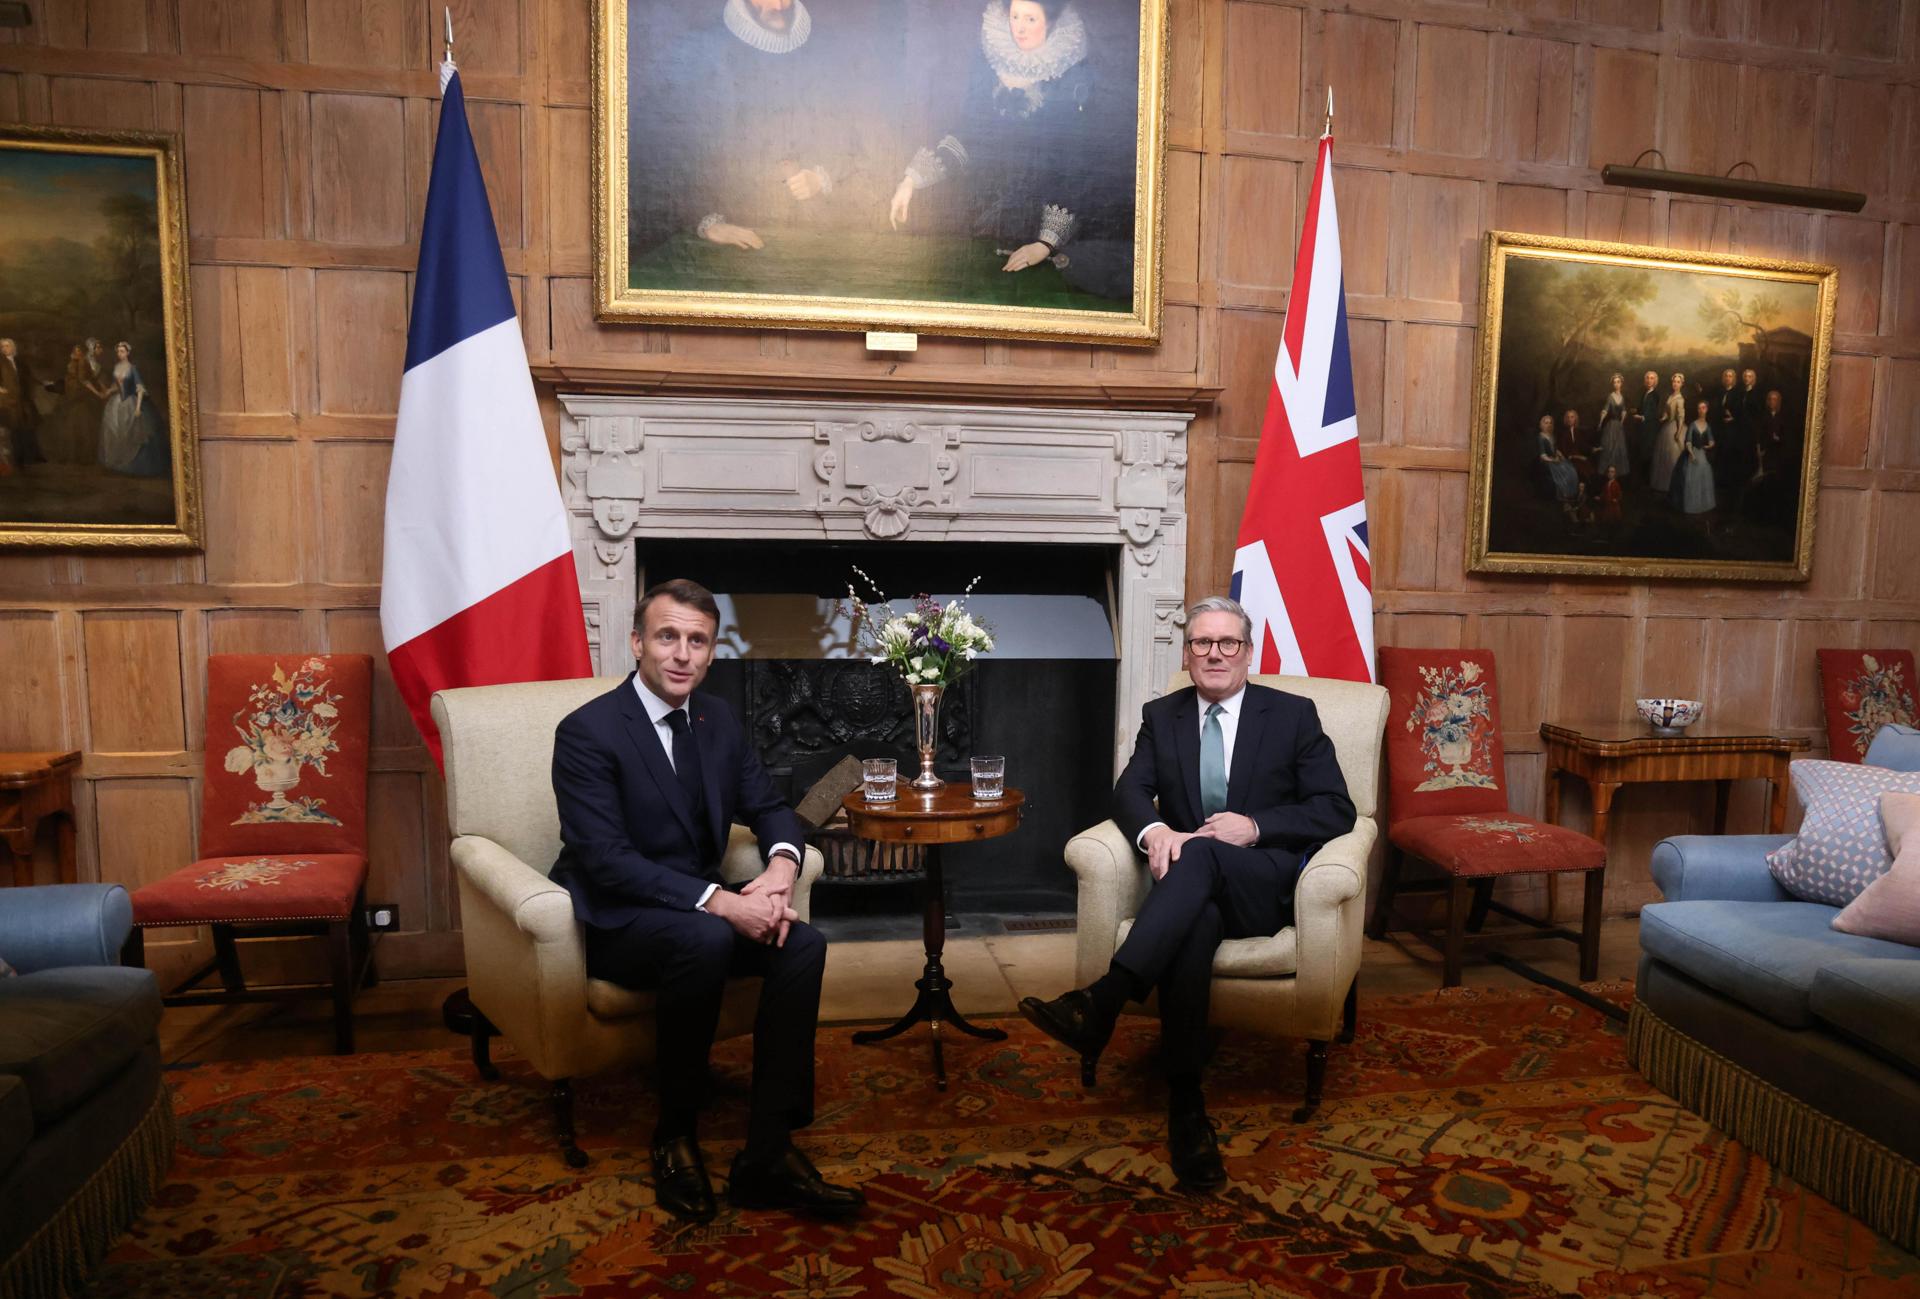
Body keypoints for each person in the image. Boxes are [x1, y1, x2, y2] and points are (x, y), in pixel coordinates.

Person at [548, 579, 862, 1224]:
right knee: (709, 936)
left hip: (697, 913)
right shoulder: (587, 732)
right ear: (637, 643)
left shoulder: (716, 719)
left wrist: (779, 868)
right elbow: (604, 858)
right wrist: (720, 900)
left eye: (698, 640)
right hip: (619, 916)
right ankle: (675, 1133)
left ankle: (768, 1153)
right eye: (668, 636)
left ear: (712, 652)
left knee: (801, 944)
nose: (682, 654)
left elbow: (770, 807)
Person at [1017, 595, 1355, 1193]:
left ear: (1248, 653)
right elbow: (1128, 793)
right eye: (1202, 642)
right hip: (1189, 895)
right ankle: (1187, 1107)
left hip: (1263, 884)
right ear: (1188, 651)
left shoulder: (1293, 714)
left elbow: (1337, 808)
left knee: (1200, 856)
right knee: (1192, 924)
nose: (1215, 653)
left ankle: (1106, 998)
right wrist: (1154, 831)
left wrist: (1255, 826)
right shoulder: (1162, 714)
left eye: (1228, 643)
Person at [886, 0, 1134, 301]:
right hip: (987, 217)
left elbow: (1074, 164)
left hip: (1052, 226)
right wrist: (912, 180)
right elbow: (969, 136)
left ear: (1051, 22)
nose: (1019, 27)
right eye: (1015, 16)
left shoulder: (1073, 77)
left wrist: (1045, 243)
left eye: (1030, 18)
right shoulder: (990, 67)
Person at [628, 0, 854, 256]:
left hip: (812, 237)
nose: (779, 6)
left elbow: (860, 145)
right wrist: (705, 223)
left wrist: (820, 177)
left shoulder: (828, 47)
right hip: (721, 241)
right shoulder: (697, 48)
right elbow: (654, 152)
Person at [97, 341, 168, 476]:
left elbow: (139, 388)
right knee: (114, 429)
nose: (120, 353)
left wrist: (138, 407)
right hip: (116, 402)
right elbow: (116, 386)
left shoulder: (132, 368)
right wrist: (107, 392)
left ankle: (131, 467)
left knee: (131, 432)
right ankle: (117, 463)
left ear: (128, 353)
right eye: (118, 351)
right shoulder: (117, 367)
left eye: (122, 351)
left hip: (131, 402)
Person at [0, 337, 44, 472]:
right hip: (9, 401)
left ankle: (28, 459)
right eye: (2, 346)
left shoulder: (20, 362)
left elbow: (29, 378)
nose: (4, 348)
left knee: (26, 428)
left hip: (23, 400)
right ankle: (18, 461)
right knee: (14, 430)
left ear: (13, 347)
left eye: (7, 346)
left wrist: (44, 384)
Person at [1536, 414, 1582, 515]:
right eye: (1546, 423)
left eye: (1550, 423)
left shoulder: (1551, 435)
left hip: (1555, 459)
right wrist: (1554, 461)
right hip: (1547, 462)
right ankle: (1565, 501)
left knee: (1571, 470)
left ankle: (1572, 499)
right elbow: (1542, 456)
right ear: (1542, 424)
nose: (1548, 425)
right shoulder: (1541, 437)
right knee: (1562, 474)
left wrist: (1560, 455)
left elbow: (1555, 449)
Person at [1650, 371, 1686, 495]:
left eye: (1678, 382)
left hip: (1676, 428)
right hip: (1667, 427)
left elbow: (1681, 417)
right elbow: (1666, 412)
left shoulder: (1680, 399)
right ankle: (1665, 485)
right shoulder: (1670, 396)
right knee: (1664, 457)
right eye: (1674, 381)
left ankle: (1675, 485)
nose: (1675, 384)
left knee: (1673, 457)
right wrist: (1663, 418)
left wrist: (1678, 432)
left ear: (1681, 384)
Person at [1679, 398, 1716, 515]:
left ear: (1707, 410)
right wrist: (1691, 453)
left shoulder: (1708, 425)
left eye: (1703, 408)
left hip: (1703, 455)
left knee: (1704, 477)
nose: (1701, 410)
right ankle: (1693, 505)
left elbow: (1711, 440)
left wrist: (1710, 445)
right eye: (1699, 408)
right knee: (1693, 480)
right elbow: (1688, 441)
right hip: (1694, 453)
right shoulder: (1693, 425)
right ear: (1697, 410)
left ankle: (1704, 505)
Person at [1594, 372, 1631, 481]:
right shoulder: (1611, 397)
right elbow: (1605, 409)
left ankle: (1616, 473)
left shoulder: (1622, 397)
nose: (1616, 384)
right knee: (1609, 448)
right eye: (1614, 382)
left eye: (1618, 382)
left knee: (1618, 448)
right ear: (1612, 384)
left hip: (1618, 426)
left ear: (1621, 384)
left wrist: (1623, 419)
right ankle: (1608, 473)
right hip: (1611, 426)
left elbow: (1624, 410)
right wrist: (1600, 422)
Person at [1633, 369, 1663, 475]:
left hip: (1651, 428)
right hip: (1644, 427)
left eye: (1652, 378)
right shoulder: (1645, 393)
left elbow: (1654, 413)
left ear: (1655, 381)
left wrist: (1642, 417)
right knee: (1642, 451)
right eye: (1648, 378)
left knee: (1649, 452)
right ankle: (1643, 477)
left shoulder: (1655, 395)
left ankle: (1647, 479)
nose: (1649, 380)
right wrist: (1636, 411)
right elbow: (1643, 408)